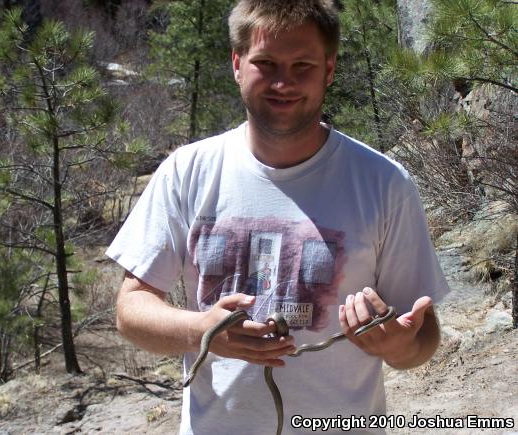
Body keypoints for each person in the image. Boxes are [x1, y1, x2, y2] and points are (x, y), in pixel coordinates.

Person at [106, 1, 450, 434]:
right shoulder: (187, 171)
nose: (283, 82)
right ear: (237, 64)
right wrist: (201, 331)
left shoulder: (383, 183)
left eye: (302, 65)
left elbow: (422, 335)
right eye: (265, 63)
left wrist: (400, 346)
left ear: (329, 69)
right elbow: (130, 309)